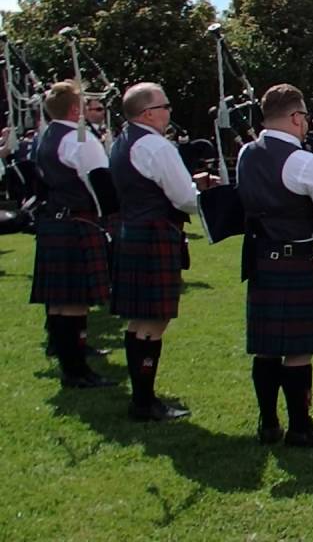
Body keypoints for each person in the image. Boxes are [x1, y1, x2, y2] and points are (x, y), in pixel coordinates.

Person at [235, 84, 313, 447]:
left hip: (262, 259)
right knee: (298, 348)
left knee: (267, 346)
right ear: (297, 118)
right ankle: (300, 428)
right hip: (296, 260)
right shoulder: (305, 161)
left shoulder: (245, 155)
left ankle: (268, 425)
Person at [109, 82, 199, 421]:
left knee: (138, 320)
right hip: (154, 233)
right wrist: (202, 192)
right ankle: (145, 403)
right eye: (165, 106)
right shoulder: (156, 146)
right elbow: (184, 198)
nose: (169, 112)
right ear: (148, 113)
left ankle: (142, 398)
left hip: (133, 230)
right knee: (153, 320)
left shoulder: (121, 142)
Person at [29, 81, 116, 388]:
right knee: (75, 301)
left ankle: (69, 359)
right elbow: (101, 182)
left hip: (55, 221)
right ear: (75, 109)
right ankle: (76, 370)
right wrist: (112, 218)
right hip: (77, 222)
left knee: (58, 301)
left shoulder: (46, 135)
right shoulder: (79, 138)